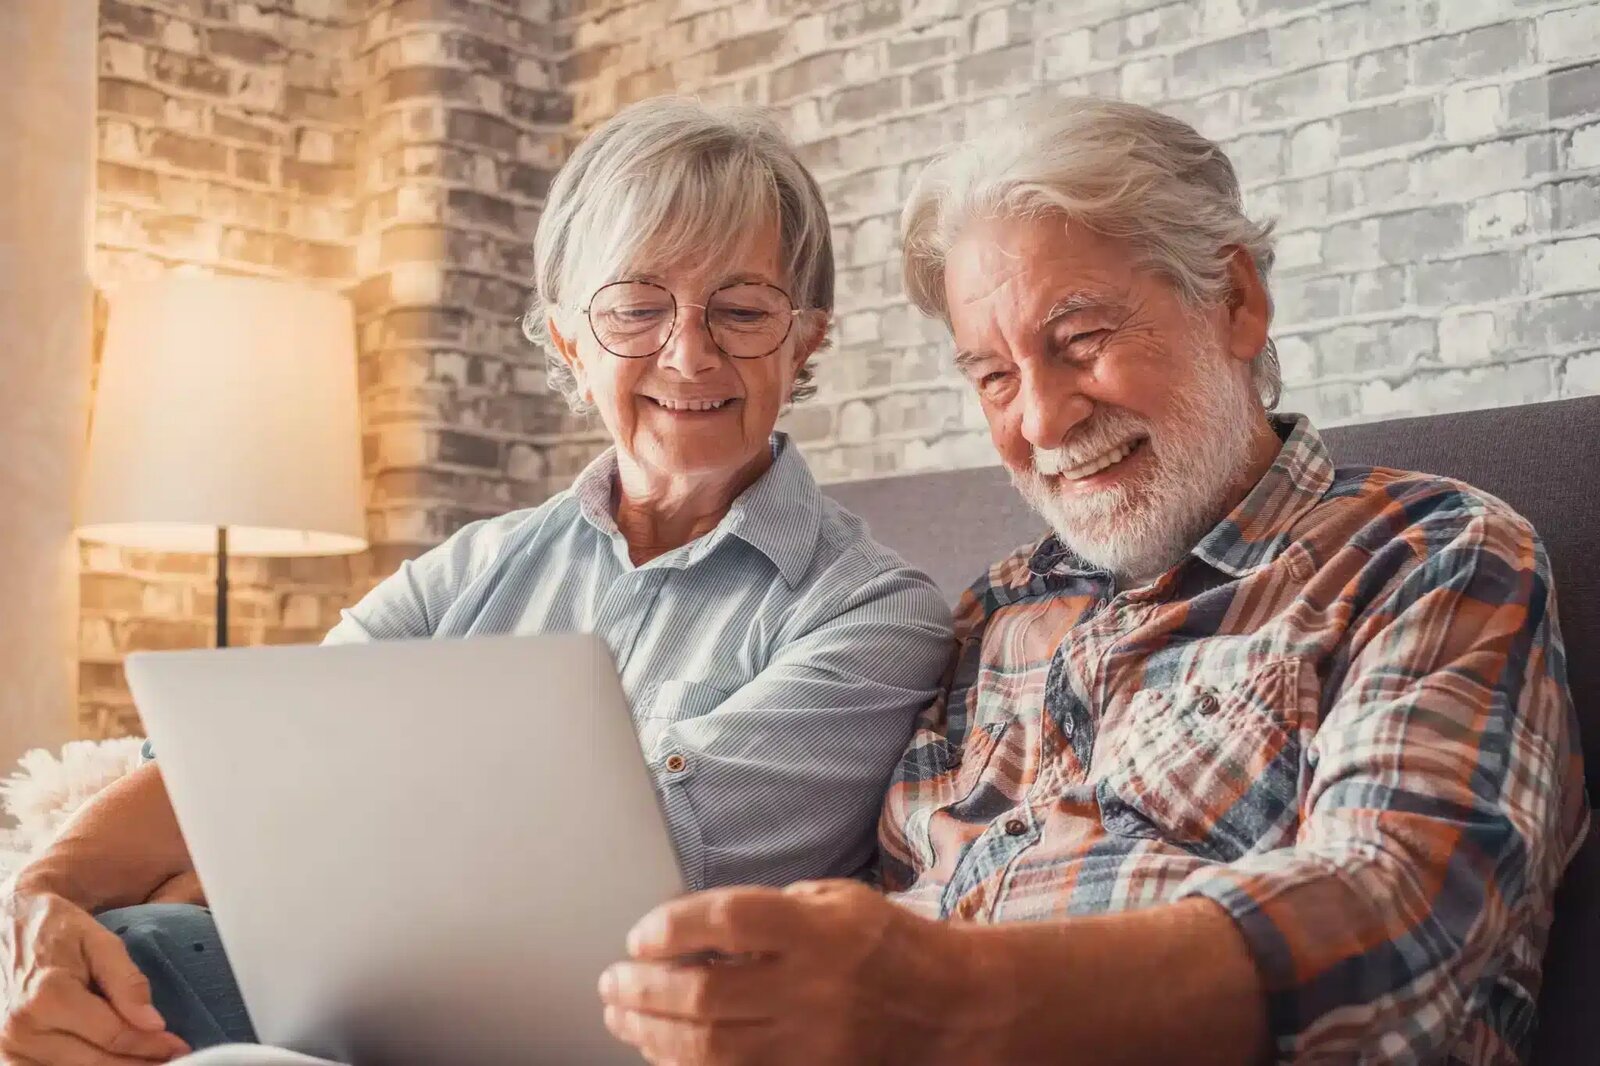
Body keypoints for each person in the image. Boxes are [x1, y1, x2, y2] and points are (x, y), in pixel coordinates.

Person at [597, 97, 1587, 1065]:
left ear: (1234, 300)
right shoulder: (993, 614)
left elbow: (1398, 918)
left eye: (1080, 341)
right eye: (993, 376)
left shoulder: (1425, 554)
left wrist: (947, 998)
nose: (1040, 420)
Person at [0, 98, 953, 1063]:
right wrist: (41, 896)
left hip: (605, 1042)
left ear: (806, 340)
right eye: (635, 309)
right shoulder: (469, 570)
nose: (688, 353)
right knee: (111, 960)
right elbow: (240, 771)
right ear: (569, 341)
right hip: (354, 1015)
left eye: (742, 311)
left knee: (153, 949)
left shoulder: (875, 614)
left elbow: (607, 879)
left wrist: (232, 871)